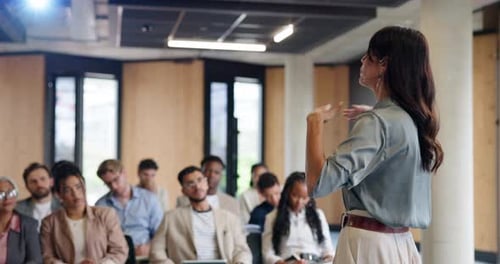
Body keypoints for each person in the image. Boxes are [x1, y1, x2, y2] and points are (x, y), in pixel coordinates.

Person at [306, 26, 444, 264]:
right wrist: (376, 117)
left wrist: (314, 124)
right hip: (403, 244)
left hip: (369, 243)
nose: (361, 60)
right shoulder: (411, 120)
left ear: (384, 64)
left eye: (368, 55)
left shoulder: (379, 122)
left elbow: (318, 183)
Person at [150, 166, 252, 264]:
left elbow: (242, 250)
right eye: (191, 184)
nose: (197, 187)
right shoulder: (171, 218)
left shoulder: (229, 218)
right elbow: (156, 250)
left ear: (206, 183)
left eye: (200, 180)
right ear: (184, 191)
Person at [41, 161, 128, 264]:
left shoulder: (106, 215)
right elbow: (47, 257)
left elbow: (119, 251)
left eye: (78, 187)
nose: (76, 194)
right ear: (58, 195)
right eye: (68, 190)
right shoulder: (49, 223)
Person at [95, 159, 163, 257]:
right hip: (114, 257)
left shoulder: (149, 199)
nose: (114, 186)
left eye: (115, 180)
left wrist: (149, 247)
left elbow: (160, 233)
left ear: (124, 173)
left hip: (144, 256)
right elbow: (99, 238)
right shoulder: (101, 205)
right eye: (108, 184)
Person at [262, 172, 333, 264]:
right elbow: (267, 253)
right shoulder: (272, 217)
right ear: (287, 193)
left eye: (304, 198)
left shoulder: (318, 215)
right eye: (295, 196)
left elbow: (327, 248)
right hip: (288, 261)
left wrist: (328, 257)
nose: (299, 202)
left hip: (315, 261)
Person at [0, 176, 42, 264]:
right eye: (1, 194)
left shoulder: (28, 225)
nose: (7, 198)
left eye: (11, 193)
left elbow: (35, 260)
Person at [16, 162, 62, 230]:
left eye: (43, 179)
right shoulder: (17, 209)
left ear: (51, 182)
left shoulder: (64, 207)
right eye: (33, 181)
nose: (39, 184)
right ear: (27, 186)